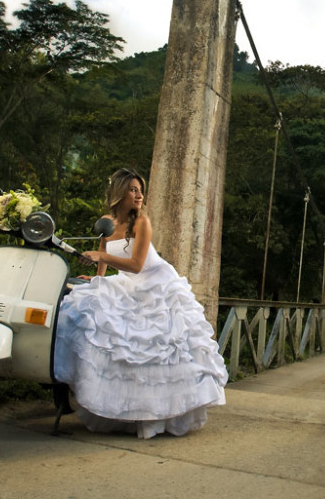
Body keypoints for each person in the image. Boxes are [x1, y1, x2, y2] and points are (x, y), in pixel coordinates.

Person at [53, 168, 228, 438]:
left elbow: (135, 265)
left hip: (154, 282)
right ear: (120, 192)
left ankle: (158, 413)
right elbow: (103, 254)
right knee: (84, 309)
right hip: (127, 283)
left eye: (140, 190)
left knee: (155, 345)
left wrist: (101, 260)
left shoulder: (142, 222)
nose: (138, 195)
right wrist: (96, 278)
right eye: (133, 189)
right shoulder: (106, 222)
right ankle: (97, 400)